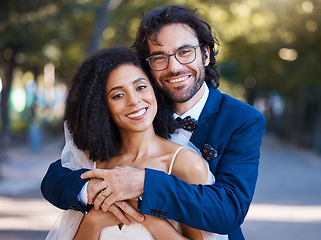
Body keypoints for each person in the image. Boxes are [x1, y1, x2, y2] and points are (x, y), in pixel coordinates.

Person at [41, 5, 266, 240]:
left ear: (206, 54)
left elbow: (227, 211)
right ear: (147, 66)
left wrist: (143, 184)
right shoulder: (133, 114)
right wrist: (93, 192)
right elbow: (55, 179)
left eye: (185, 51)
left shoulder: (243, 120)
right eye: (160, 57)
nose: (175, 67)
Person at [45, 46, 220, 240]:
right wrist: (94, 220)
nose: (134, 101)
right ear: (102, 108)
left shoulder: (185, 165)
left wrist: (149, 218)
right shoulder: (93, 165)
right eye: (118, 95)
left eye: (141, 87)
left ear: (154, 90)